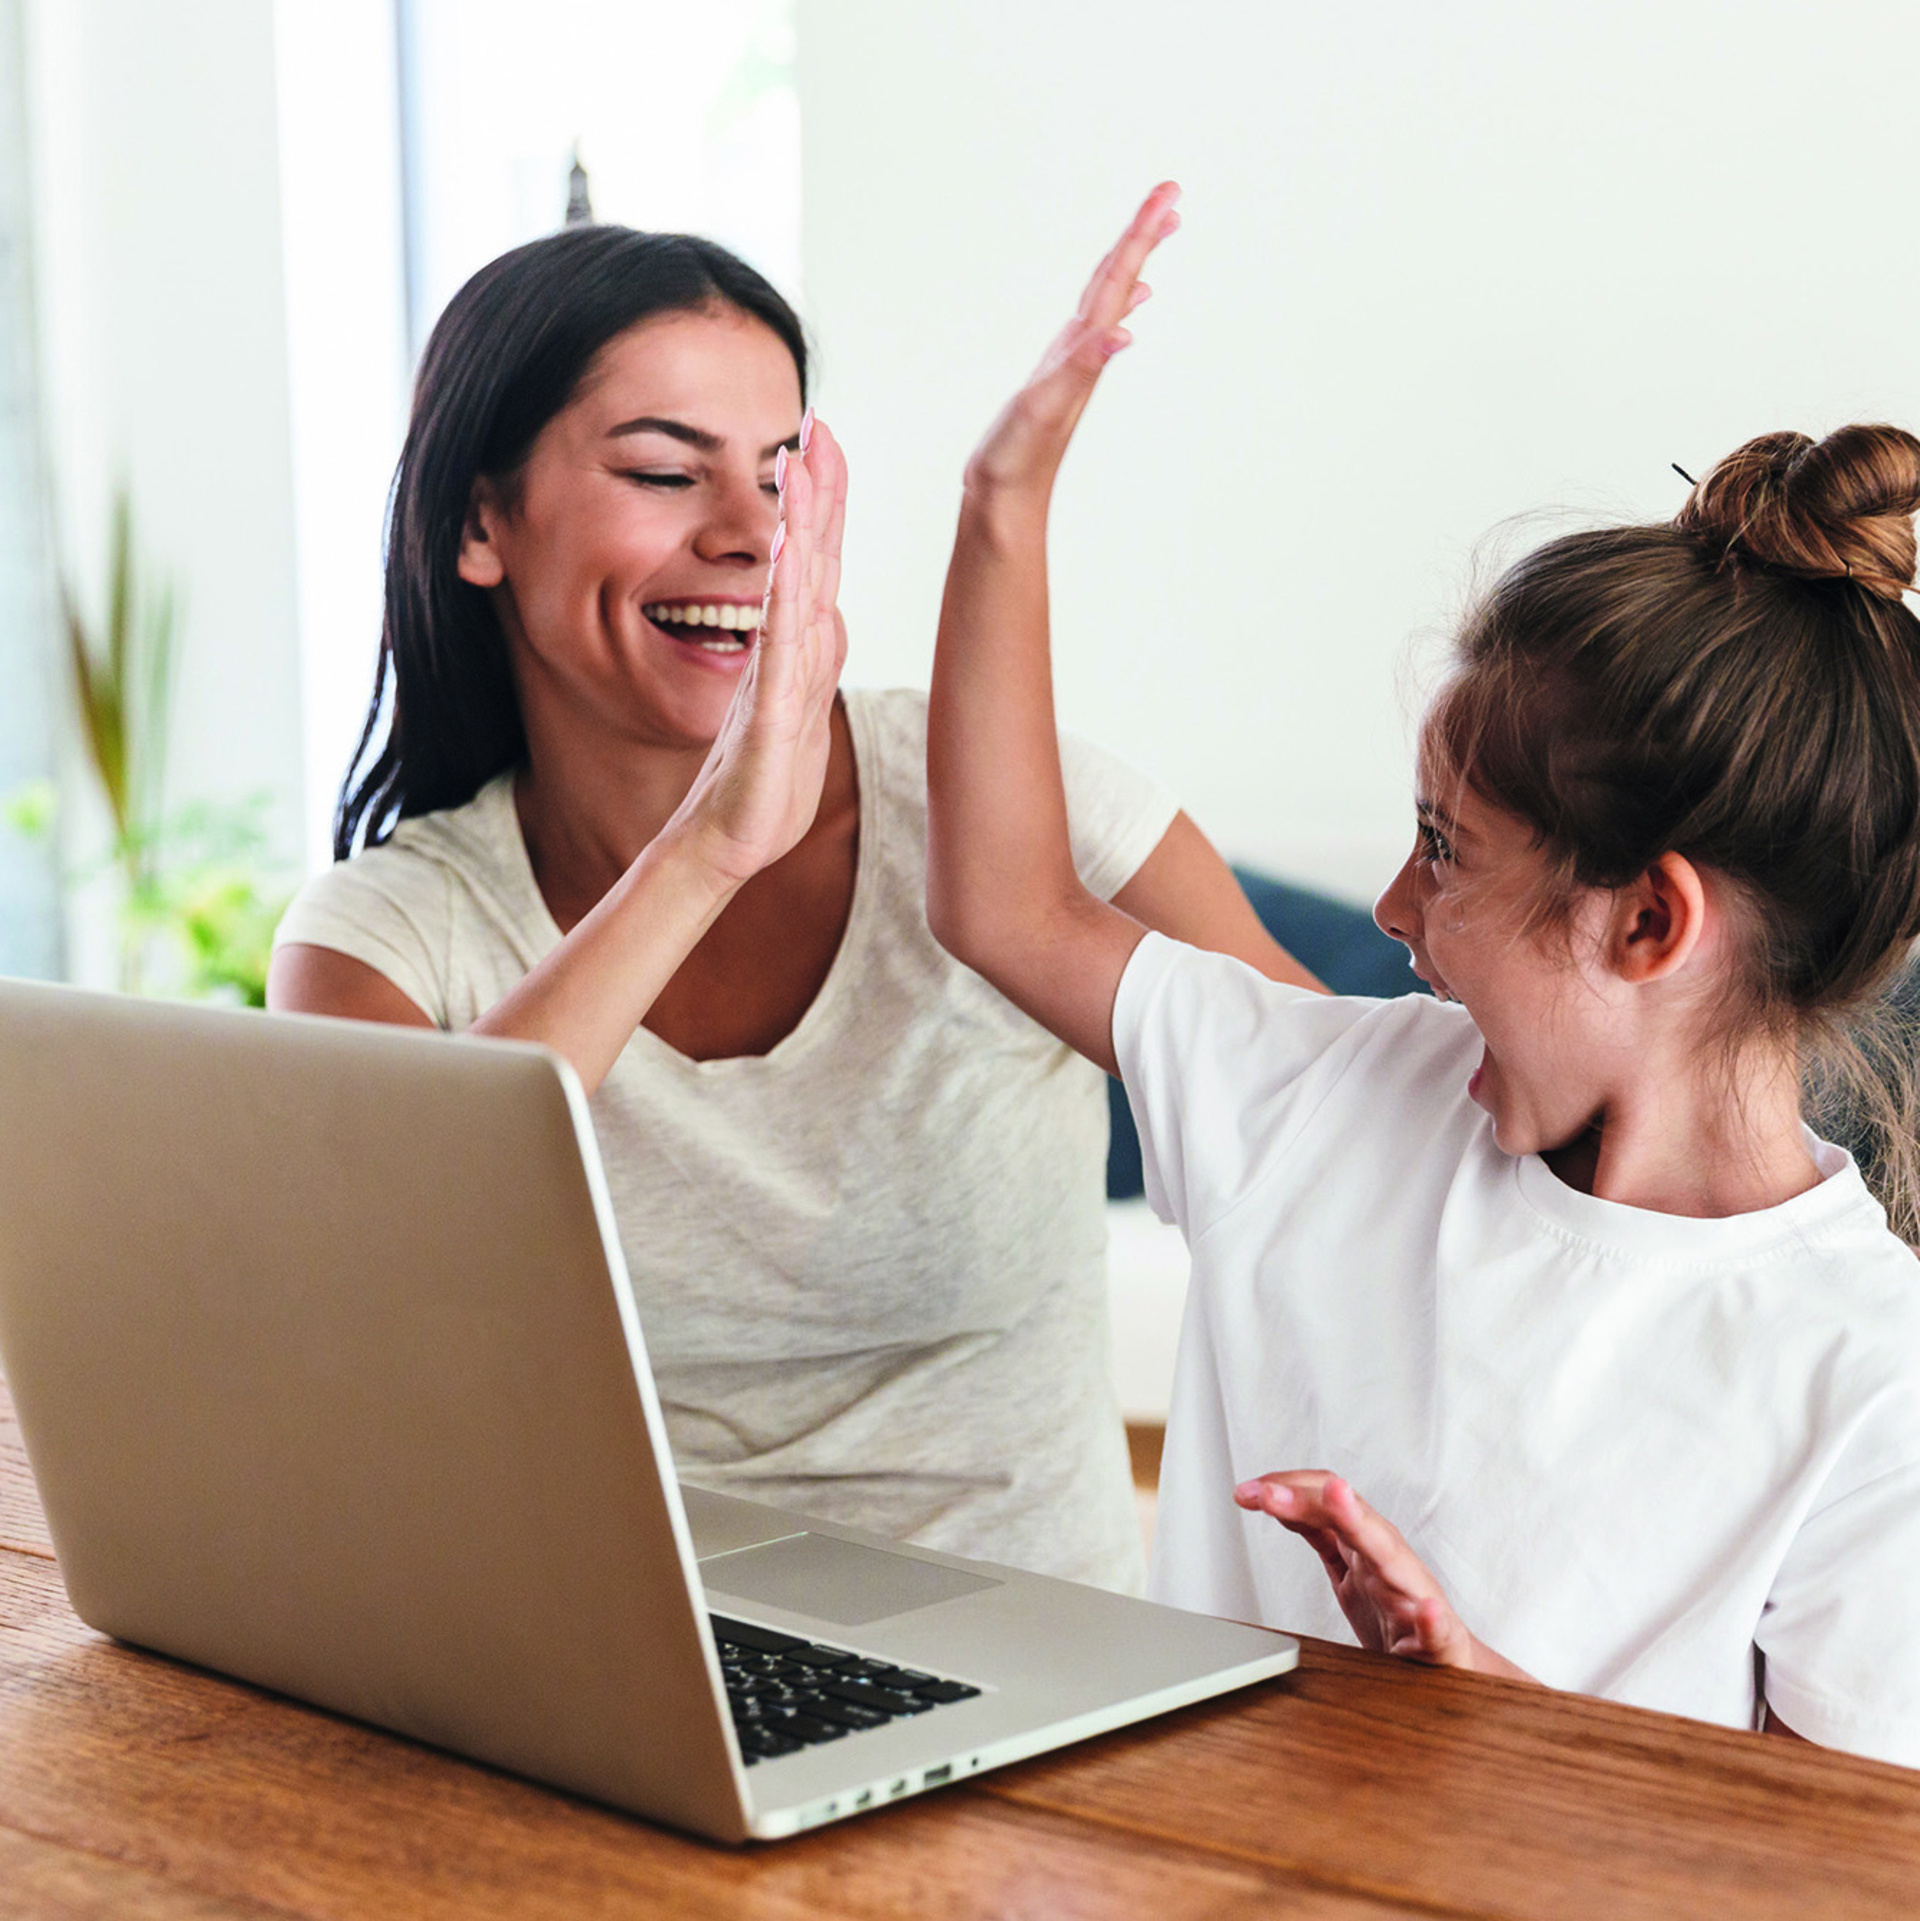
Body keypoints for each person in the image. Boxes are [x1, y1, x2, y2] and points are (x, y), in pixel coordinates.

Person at [924, 182, 1920, 1764]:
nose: (1393, 905)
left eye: (1445, 849)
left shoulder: (1866, 1380)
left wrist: (1497, 1726)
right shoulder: (1338, 1099)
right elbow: (1008, 906)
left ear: (1648, 923)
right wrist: (1001, 503)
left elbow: (1828, 1872)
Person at [268, 224, 1315, 1593]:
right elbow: (382, 1285)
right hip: (629, 1670)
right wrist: (708, 849)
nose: (752, 534)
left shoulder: (1011, 811)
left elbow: (1350, 1135)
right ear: (480, 523)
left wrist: (1005, 510)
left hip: (1039, 1681)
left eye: (782, 477)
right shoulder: (388, 935)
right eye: (661, 470)